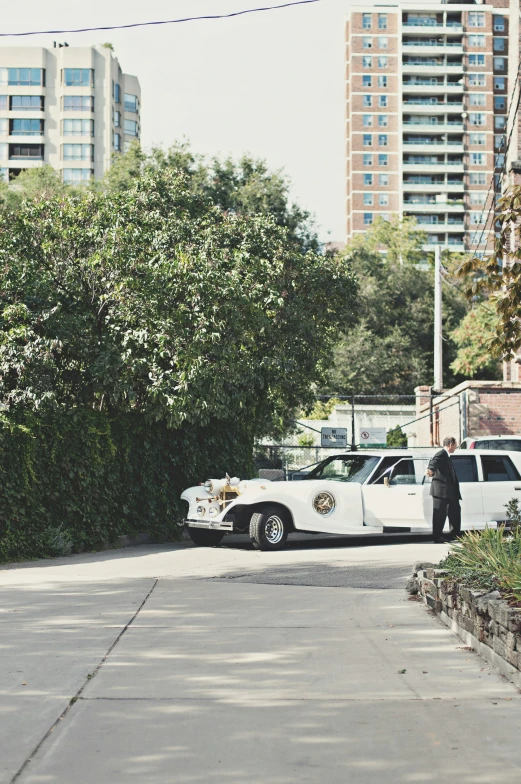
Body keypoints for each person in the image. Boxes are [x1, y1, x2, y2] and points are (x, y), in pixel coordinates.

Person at [425, 436, 461, 543]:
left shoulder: (447, 455)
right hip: (440, 491)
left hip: (450, 492)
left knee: (455, 511)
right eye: (455, 445)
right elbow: (433, 463)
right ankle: (437, 536)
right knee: (439, 515)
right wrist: (430, 470)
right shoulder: (441, 454)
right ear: (450, 444)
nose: (456, 447)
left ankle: (454, 534)